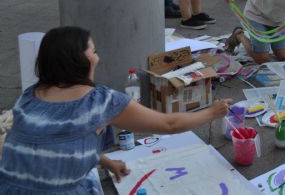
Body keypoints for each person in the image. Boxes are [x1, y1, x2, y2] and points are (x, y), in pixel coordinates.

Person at [0, 26, 231, 194]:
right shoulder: (99, 102)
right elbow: (168, 124)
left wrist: (107, 162)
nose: (98, 56)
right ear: (82, 60)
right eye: (95, 50)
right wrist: (212, 112)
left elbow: (62, 142)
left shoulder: (29, 97)